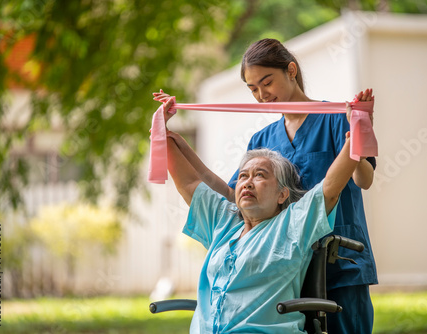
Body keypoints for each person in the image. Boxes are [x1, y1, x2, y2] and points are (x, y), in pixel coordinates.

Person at [154, 38, 377, 333]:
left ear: (291, 71)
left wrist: (356, 135)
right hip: (277, 267)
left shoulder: (337, 119)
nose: (261, 94)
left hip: (340, 265)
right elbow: (231, 196)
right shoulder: (261, 140)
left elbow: (364, 179)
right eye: (253, 89)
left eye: (266, 82)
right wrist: (177, 145)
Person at [165, 97, 360, 332]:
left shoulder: (292, 225)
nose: (247, 182)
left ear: (282, 194)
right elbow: (190, 182)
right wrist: (162, 135)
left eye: (259, 175)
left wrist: (356, 134)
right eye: (243, 176)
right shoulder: (223, 222)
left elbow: (330, 189)